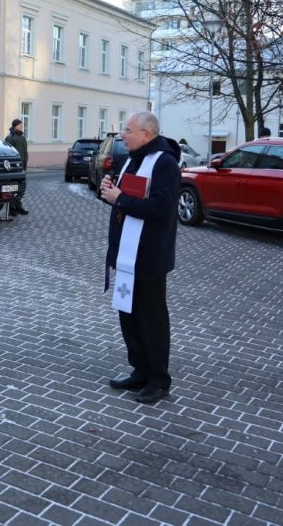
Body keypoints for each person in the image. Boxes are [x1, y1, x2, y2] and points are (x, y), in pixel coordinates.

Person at [99, 111, 180, 404]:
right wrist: (108, 191)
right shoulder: (132, 159)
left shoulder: (165, 164)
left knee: (151, 319)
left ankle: (159, 379)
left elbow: (162, 208)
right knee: (129, 317)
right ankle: (140, 370)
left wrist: (118, 198)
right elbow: (123, 196)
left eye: (128, 130)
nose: (123, 134)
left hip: (148, 257)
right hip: (125, 255)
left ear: (147, 134)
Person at [4, 118, 29, 215]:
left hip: (23, 166)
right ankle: (11, 208)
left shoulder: (22, 137)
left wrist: (26, 159)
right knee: (12, 187)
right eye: (20, 125)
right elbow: (7, 152)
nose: (22, 126)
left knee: (21, 187)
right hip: (14, 168)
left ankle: (19, 205)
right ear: (15, 126)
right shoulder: (10, 137)